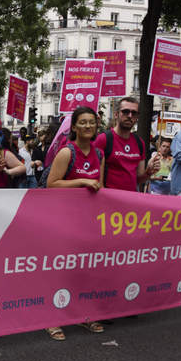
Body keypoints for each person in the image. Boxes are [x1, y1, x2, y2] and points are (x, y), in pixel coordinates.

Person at [44, 105, 105, 340]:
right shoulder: (66, 153)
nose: (88, 126)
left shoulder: (99, 154)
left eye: (92, 122)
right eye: (83, 122)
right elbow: (52, 184)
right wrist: (81, 181)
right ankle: (51, 319)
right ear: (75, 127)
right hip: (64, 222)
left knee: (85, 271)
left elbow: (100, 187)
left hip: (88, 222)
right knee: (61, 272)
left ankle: (84, 315)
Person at [94, 97, 160, 191]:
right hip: (109, 201)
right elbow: (96, 180)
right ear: (116, 114)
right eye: (125, 112)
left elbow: (138, 179)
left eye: (134, 113)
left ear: (137, 117)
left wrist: (149, 172)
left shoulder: (139, 142)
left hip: (130, 200)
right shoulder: (103, 139)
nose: (130, 116)